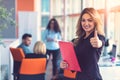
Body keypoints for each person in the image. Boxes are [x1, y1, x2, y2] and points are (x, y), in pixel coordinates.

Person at [60, 8, 105, 80]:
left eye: (90, 20)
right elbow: (75, 64)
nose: (86, 23)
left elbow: (101, 42)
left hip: (92, 78)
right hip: (79, 77)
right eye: (83, 20)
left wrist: (98, 43)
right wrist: (65, 64)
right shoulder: (79, 40)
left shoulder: (97, 37)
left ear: (95, 22)